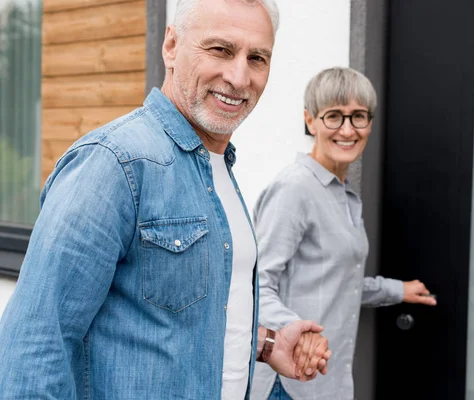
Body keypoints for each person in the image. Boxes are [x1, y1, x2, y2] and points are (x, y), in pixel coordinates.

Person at [0, 0, 331, 398]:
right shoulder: (114, 163)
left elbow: (179, 319)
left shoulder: (218, 167)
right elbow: (35, 346)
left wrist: (267, 344)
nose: (240, 76)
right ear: (171, 46)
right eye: (220, 50)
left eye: (257, 57)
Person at [249, 66, 438, 400]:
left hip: (329, 383)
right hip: (290, 384)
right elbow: (255, 284)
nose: (348, 130)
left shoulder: (345, 195)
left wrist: (396, 290)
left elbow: (337, 280)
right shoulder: (294, 188)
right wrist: (300, 332)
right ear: (310, 121)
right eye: (334, 116)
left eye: (359, 116)